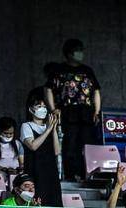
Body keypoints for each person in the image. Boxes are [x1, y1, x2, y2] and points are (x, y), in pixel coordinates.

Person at [44, 38, 101, 181]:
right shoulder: (59, 70)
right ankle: (70, 174)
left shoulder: (87, 70)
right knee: (70, 145)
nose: (81, 54)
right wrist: (53, 109)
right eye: (78, 51)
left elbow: (96, 91)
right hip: (68, 113)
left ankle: (85, 174)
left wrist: (97, 111)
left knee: (86, 145)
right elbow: (48, 89)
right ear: (69, 53)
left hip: (86, 113)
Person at [20, 88, 62, 207]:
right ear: (31, 109)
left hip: (51, 171)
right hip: (35, 171)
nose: (42, 109)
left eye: (44, 106)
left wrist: (53, 129)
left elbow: (57, 151)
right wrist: (48, 129)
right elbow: (33, 146)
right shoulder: (26, 126)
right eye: (39, 106)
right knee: (38, 202)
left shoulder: (48, 126)